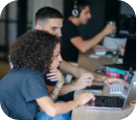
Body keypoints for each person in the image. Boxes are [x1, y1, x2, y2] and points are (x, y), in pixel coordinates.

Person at [34, 6, 129, 102]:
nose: (60, 34)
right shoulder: (32, 57)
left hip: (59, 97)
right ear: (39, 28)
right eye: (54, 28)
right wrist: (75, 85)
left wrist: (105, 78)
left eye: (60, 29)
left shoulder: (49, 53)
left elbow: (76, 71)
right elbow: (47, 93)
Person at [0, 30, 95, 120]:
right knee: (60, 113)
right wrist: (79, 101)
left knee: (62, 106)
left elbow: (46, 104)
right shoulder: (32, 76)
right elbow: (52, 110)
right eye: (56, 55)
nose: (60, 59)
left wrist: (59, 84)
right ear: (42, 55)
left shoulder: (28, 69)